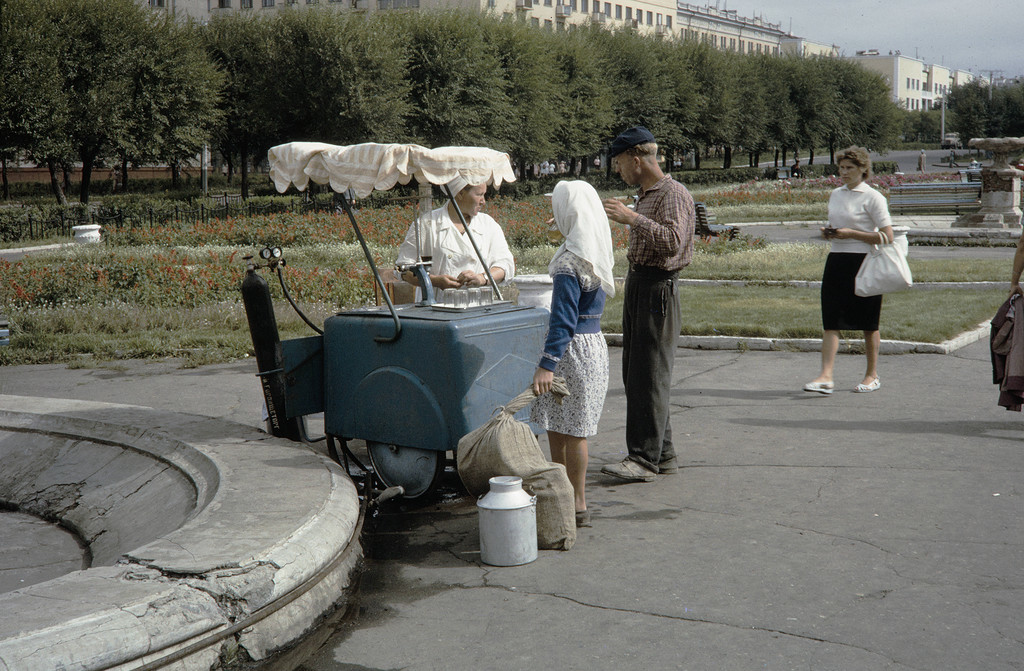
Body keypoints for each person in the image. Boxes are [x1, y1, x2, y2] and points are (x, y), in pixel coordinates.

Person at [598, 126, 695, 483]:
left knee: (650, 376)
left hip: (658, 288)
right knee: (639, 375)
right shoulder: (646, 194)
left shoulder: (673, 193)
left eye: (620, 162)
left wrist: (633, 218)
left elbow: (673, 241)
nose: (618, 169)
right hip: (641, 283)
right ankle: (662, 453)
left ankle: (642, 458)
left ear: (636, 160)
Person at [531, 181, 615, 527]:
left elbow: (563, 321)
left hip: (570, 352)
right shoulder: (593, 252)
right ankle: (576, 501)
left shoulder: (567, 264)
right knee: (573, 427)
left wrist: (546, 365)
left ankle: (569, 500)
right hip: (593, 346)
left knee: (562, 428)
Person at [804, 146, 894, 396]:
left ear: (863, 169)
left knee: (868, 322)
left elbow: (887, 236)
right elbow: (837, 225)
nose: (843, 173)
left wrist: (851, 234)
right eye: (841, 168)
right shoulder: (836, 194)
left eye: (849, 168)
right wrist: (829, 233)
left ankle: (871, 375)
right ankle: (826, 376)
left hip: (864, 263)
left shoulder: (873, 197)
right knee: (831, 320)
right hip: (837, 260)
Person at [395, 177, 514, 298]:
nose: (483, 201)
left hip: (478, 306)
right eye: (479, 194)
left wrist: (482, 278)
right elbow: (402, 269)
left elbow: (506, 265)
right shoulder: (427, 223)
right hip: (437, 308)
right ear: (460, 193)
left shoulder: (488, 224)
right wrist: (435, 281)